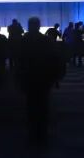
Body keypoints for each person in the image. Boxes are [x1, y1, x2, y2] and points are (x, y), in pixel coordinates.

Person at [16, 17, 62, 146]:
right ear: (39, 26)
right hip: (43, 78)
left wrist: (19, 78)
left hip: (29, 78)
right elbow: (54, 59)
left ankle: (32, 132)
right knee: (43, 105)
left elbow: (19, 60)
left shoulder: (23, 40)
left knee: (31, 105)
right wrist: (55, 77)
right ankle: (42, 132)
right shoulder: (45, 40)